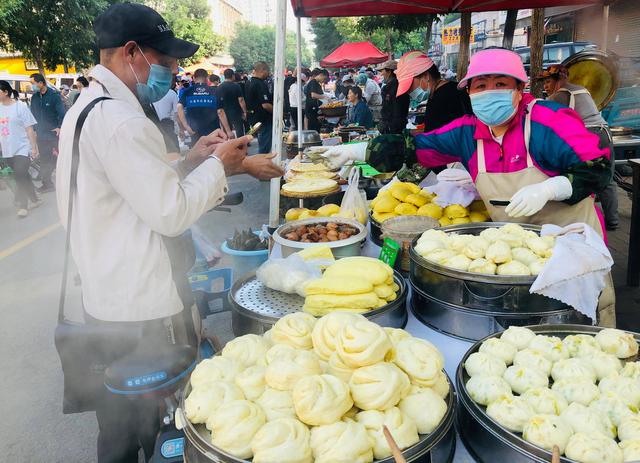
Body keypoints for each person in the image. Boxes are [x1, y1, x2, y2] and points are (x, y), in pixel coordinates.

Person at [55, 4, 284, 463]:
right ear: (132, 52)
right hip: (135, 306)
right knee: (136, 427)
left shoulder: (91, 108)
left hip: (108, 294)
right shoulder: (121, 121)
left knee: (120, 423)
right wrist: (222, 164)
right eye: (167, 60)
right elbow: (170, 212)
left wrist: (192, 161)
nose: (175, 70)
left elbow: (131, 190)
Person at [537, 64, 619, 230]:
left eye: (547, 81)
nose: (545, 86)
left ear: (560, 79)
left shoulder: (560, 95)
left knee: (583, 175)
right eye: (544, 82)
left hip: (589, 135)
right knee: (607, 177)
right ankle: (613, 220)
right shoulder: (582, 89)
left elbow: (543, 113)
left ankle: (584, 215)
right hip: (604, 132)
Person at [396, 51, 472, 132]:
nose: (409, 92)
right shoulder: (454, 87)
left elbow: (437, 138)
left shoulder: (441, 100)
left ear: (426, 76)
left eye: (410, 86)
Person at [0, 80, 41, 217]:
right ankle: (35, 199)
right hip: (7, 149)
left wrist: (33, 147)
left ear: (6, 92)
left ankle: (23, 206)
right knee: (23, 175)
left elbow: (30, 129)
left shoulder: (20, 107)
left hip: (23, 147)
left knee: (19, 175)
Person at [29, 72, 65, 193]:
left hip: (54, 134)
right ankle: (47, 184)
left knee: (64, 156)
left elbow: (62, 113)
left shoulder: (54, 96)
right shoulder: (34, 98)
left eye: (33, 83)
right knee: (44, 159)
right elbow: (32, 115)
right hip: (41, 134)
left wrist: (59, 127)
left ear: (41, 83)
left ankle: (71, 180)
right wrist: (33, 129)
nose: (31, 86)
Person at [178, 68, 231, 143]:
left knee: (199, 153)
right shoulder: (214, 91)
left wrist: (186, 126)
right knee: (214, 152)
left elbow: (179, 106)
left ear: (194, 78)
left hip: (195, 131)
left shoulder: (188, 92)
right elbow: (220, 112)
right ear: (207, 78)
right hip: (213, 131)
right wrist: (228, 131)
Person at [246, 61, 273, 153]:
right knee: (264, 147)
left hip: (253, 118)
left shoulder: (248, 82)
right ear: (262, 70)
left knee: (262, 143)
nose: (268, 73)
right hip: (263, 119)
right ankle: (261, 165)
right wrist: (277, 113)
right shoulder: (260, 84)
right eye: (268, 71)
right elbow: (265, 105)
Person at [376, 59, 410, 134]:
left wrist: (388, 125)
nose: (381, 74)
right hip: (399, 124)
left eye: (382, 71)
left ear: (389, 71)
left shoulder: (391, 88)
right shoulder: (400, 86)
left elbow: (392, 109)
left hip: (392, 127)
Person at [218, 68, 247, 137]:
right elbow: (241, 100)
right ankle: (240, 145)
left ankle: (229, 145)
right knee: (239, 130)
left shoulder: (220, 87)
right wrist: (245, 111)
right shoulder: (236, 86)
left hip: (225, 112)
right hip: (236, 112)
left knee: (227, 130)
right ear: (233, 76)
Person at [152, 83, 180, 153]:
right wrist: (179, 129)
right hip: (169, 125)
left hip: (155, 125)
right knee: (174, 151)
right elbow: (176, 112)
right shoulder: (171, 93)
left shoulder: (150, 93)